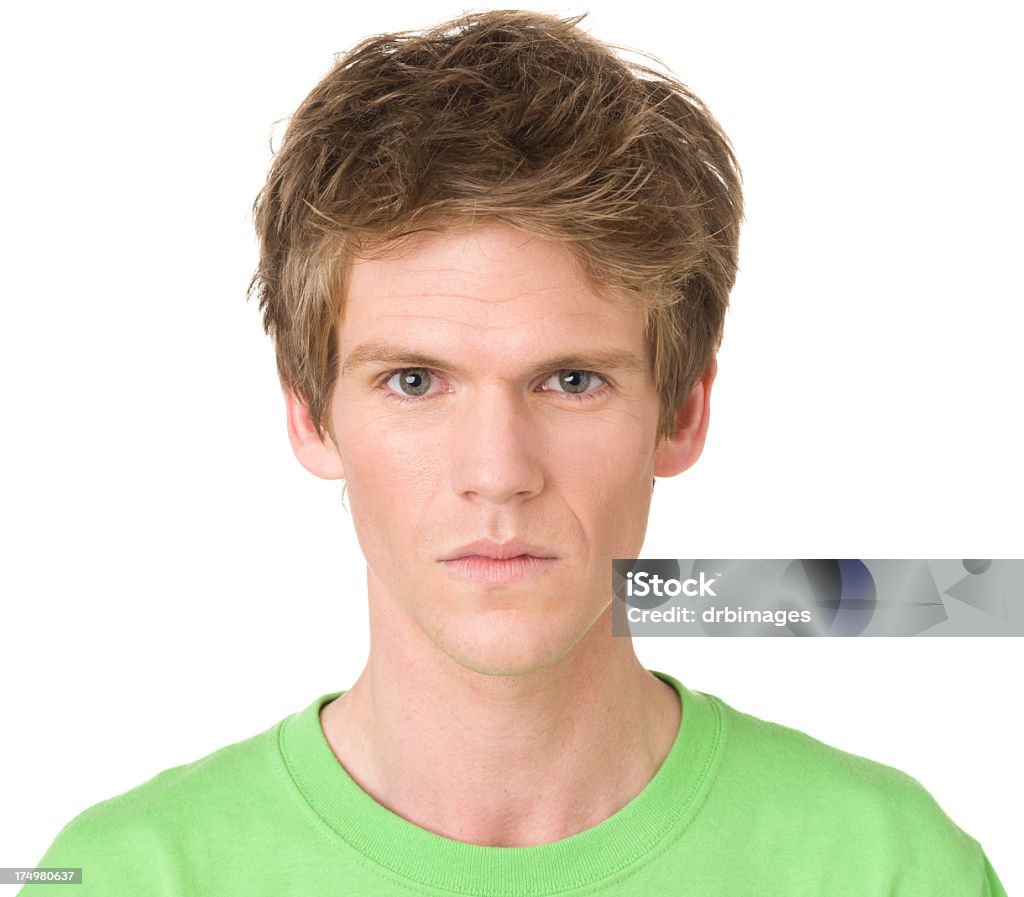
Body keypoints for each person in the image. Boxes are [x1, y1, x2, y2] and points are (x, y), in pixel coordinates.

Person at [19, 10, 1006, 896]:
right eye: (413, 381)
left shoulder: (886, 871)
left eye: (570, 380)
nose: (497, 471)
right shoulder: (124, 879)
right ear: (311, 416)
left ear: (681, 413)